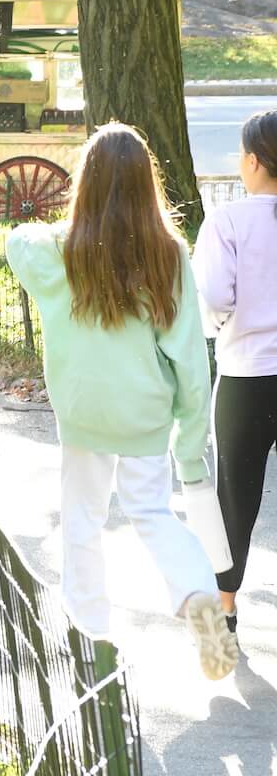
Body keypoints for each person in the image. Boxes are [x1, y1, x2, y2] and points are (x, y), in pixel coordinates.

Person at [7, 124, 236, 678]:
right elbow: (187, 356)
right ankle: (197, 597)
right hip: (144, 410)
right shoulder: (168, 254)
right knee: (153, 513)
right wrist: (189, 444)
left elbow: (17, 238)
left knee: (82, 518)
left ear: (85, 183)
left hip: (84, 409)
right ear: (146, 185)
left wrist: (69, 225)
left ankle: (91, 632)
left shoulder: (61, 253)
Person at [194, 109, 277, 638]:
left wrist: (224, 324)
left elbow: (214, 298)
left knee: (235, 498)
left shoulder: (228, 221)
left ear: (251, 160)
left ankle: (225, 607)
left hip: (247, 377)